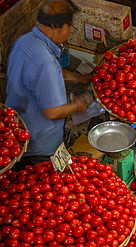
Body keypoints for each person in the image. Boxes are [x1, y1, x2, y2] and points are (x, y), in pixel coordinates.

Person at [5, 0, 90, 171]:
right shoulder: (45, 63)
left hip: (15, 130)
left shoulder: (24, 41)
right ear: (61, 28)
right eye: (70, 28)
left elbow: (37, 77)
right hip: (39, 147)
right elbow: (52, 112)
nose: (68, 33)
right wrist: (77, 106)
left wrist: (76, 78)